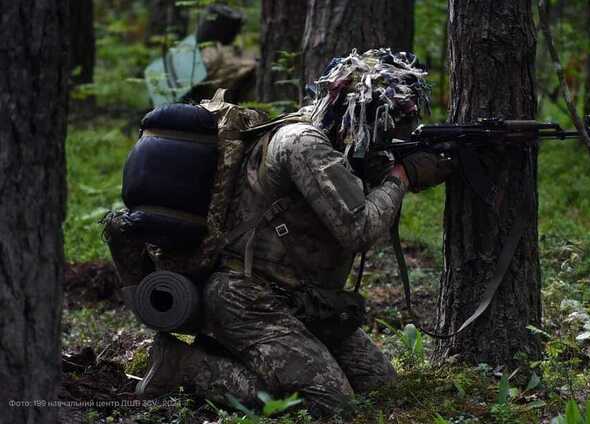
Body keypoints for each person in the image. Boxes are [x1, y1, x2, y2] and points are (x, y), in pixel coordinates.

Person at [130, 49, 454, 417]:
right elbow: (359, 231)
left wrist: (408, 167)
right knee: (331, 404)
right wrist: (402, 177)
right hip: (248, 298)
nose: (397, 131)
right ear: (359, 110)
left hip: (306, 301)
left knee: (383, 390)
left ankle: (257, 358)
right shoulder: (304, 144)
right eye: (391, 120)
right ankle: (185, 365)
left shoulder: (343, 145)